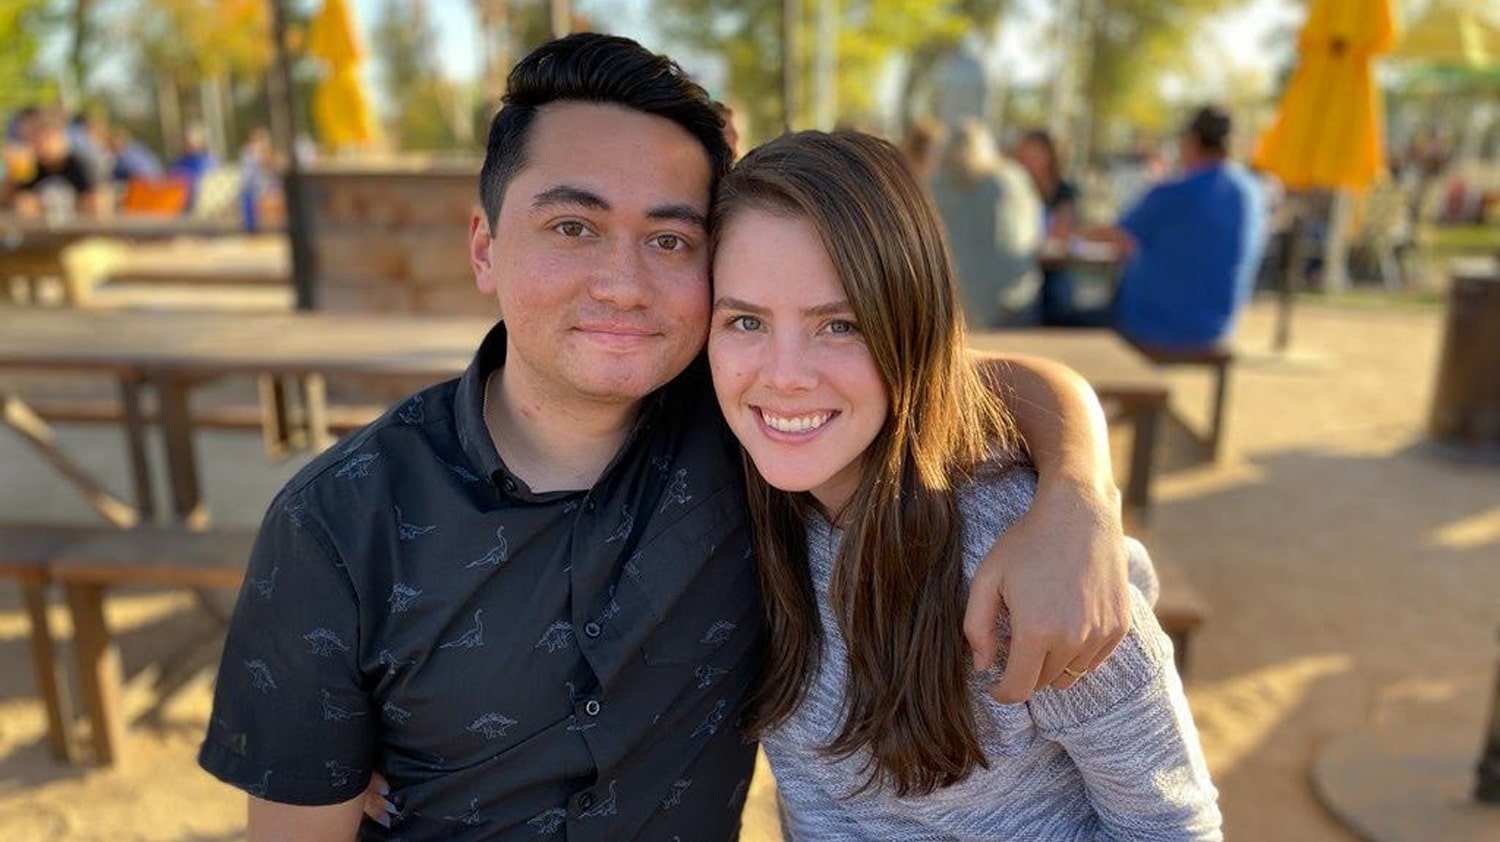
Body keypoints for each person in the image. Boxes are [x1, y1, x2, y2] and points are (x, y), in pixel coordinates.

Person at [199, 33, 1131, 840]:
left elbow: (963, 382)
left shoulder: (758, 422)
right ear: (483, 247)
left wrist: (1078, 494)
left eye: (671, 241)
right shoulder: (336, 524)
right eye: (573, 225)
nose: (623, 283)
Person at [708, 129, 1221, 838]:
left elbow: (1171, 826)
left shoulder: (1024, 562)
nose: (785, 373)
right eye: (744, 320)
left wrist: (1079, 495)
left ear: (910, 328)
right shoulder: (737, 495)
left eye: (840, 325)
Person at [1089, 105, 1266, 350]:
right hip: (1216, 326)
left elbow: (1118, 237)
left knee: (1058, 317)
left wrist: (1077, 229)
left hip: (1152, 324)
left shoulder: (1175, 191)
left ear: (1193, 141)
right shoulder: (1253, 192)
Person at [929, 120, 1043, 328]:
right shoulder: (1011, 179)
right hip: (1015, 298)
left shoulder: (935, 186)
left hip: (960, 305)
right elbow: (1033, 236)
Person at [1015, 128, 1083, 325]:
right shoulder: (1013, 188)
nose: (1028, 161)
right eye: (1025, 155)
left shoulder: (1063, 190)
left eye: (1034, 155)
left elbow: (1063, 231)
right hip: (1020, 264)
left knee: (1058, 295)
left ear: (1049, 157)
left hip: (1051, 267)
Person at [8, 111, 106, 219]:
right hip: (42, 234)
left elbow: (99, 204)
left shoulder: (82, 163)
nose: (31, 144)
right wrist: (12, 177)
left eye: (36, 138)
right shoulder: (33, 166)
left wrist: (43, 205)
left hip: (80, 233)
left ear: (55, 134)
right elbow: (15, 201)